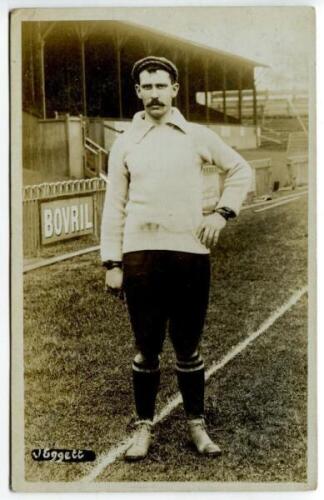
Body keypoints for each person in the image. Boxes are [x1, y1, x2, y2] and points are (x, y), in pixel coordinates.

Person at [100, 56, 252, 461]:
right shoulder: (126, 142)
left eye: (160, 86)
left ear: (174, 89)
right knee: (146, 347)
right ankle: (143, 427)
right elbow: (114, 204)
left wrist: (221, 213)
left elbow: (241, 170)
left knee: (187, 346)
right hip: (140, 256)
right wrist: (112, 263)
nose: (153, 94)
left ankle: (196, 425)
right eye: (146, 87)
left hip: (189, 255)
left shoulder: (196, 134)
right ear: (137, 92)